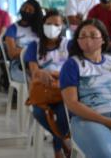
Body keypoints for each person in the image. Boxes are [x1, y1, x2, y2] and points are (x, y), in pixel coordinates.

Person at [60, 19, 111, 158]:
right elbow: (72, 104)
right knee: (105, 154)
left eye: (93, 35)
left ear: (103, 39)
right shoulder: (72, 65)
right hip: (88, 120)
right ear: (78, 40)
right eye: (83, 35)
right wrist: (107, 122)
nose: (88, 39)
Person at [24, 10, 70, 158]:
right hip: (42, 92)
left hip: (63, 92)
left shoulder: (67, 45)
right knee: (38, 112)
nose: (52, 27)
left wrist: (54, 74)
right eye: (48, 24)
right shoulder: (34, 45)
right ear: (43, 25)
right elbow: (34, 70)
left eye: (56, 24)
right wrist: (43, 73)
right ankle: (62, 141)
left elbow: (73, 69)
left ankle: (57, 148)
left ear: (62, 26)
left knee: (64, 113)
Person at [4, 0, 43, 82]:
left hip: (39, 62)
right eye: (24, 8)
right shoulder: (13, 28)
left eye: (30, 10)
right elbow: (12, 53)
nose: (26, 11)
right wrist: (33, 50)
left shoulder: (40, 28)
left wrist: (22, 50)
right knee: (32, 81)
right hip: (19, 65)